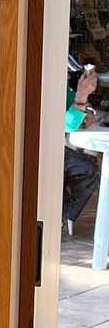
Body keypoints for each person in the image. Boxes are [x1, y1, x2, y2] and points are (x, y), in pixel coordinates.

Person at [64, 64, 100, 234]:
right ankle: (63, 214)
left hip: (60, 145)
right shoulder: (46, 88)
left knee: (89, 165)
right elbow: (67, 125)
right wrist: (81, 95)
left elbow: (78, 113)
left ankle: (65, 214)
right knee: (88, 169)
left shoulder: (65, 90)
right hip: (43, 147)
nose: (68, 76)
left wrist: (87, 114)